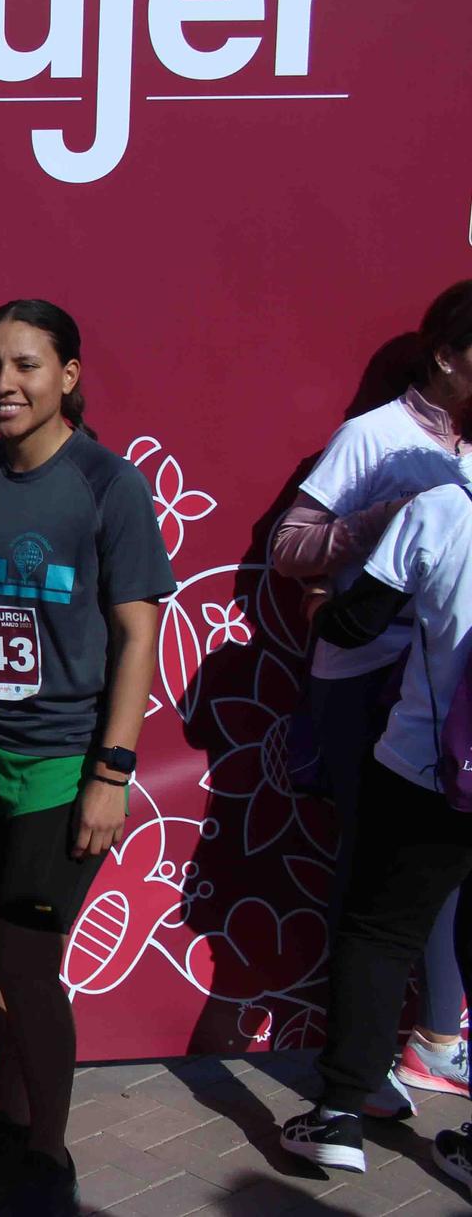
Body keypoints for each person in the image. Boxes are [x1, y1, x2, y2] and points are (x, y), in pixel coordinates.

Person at [0, 300, 173, 1217]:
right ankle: (11, 1116)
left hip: (59, 770)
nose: (5, 384)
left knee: (31, 961)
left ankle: (50, 1154)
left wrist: (110, 771)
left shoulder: (107, 485)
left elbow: (136, 631)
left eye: (28, 365)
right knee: (2, 950)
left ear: (68, 375)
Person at [272, 280, 472, 1101]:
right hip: (366, 684)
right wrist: (387, 520)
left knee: (441, 881)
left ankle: (430, 1041)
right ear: (447, 357)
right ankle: (361, 1076)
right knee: (374, 882)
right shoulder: (373, 434)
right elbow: (291, 545)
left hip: (452, 702)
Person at [278, 475, 472, 1194]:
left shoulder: (445, 509)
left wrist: (323, 605)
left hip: (427, 768)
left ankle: (339, 1113)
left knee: (378, 931)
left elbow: (356, 622)